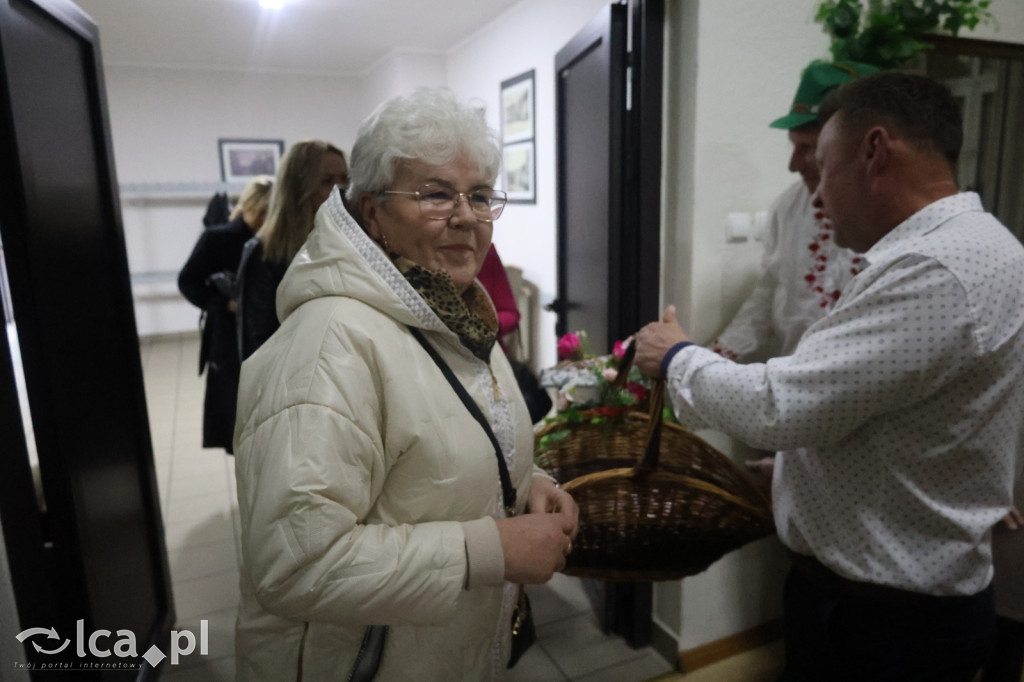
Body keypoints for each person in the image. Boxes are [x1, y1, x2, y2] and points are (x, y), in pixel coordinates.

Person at [633, 72, 1024, 680]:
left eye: (827, 165)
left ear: (875, 151)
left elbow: (779, 407)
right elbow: (887, 405)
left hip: (887, 623)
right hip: (889, 597)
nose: (816, 196)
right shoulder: (983, 244)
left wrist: (676, 355)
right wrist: (796, 471)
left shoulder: (933, 268)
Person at [232, 87, 579, 681]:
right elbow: (295, 565)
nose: (466, 216)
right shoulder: (328, 346)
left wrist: (529, 483)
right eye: (436, 194)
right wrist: (492, 549)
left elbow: (443, 449)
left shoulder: (453, 312)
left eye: (477, 195)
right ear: (372, 213)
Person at [711, 60, 876, 363]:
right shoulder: (787, 208)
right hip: (799, 388)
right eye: (793, 146)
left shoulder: (897, 220)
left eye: (809, 148)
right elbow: (768, 293)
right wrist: (710, 358)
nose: (793, 165)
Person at [177, 175, 273, 454]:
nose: (269, 218)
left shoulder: (269, 243)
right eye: (265, 211)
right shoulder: (217, 239)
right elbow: (188, 281)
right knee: (235, 409)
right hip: (228, 338)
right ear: (252, 207)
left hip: (261, 334)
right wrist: (223, 303)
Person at [235, 139, 348, 360]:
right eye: (327, 181)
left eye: (345, 180)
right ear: (300, 187)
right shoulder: (263, 253)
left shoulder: (345, 243)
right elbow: (256, 346)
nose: (340, 191)